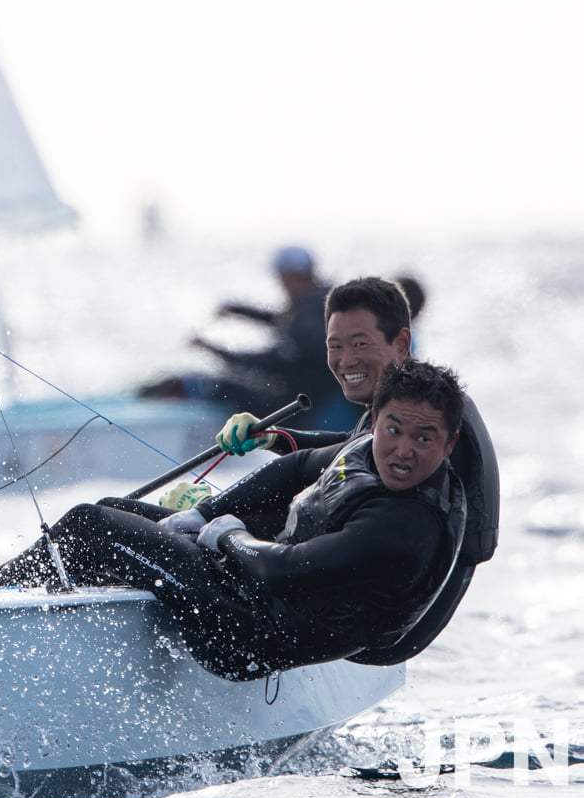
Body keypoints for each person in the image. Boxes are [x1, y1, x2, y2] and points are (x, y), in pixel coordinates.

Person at [0, 360, 469, 682]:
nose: (403, 449)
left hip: (245, 637)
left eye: (424, 438)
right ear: (376, 419)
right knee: (117, 508)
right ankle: (45, 615)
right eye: (393, 429)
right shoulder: (366, 447)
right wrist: (203, 513)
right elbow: (296, 467)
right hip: (244, 588)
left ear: (449, 444)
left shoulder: (404, 527)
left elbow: (279, 570)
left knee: (91, 526)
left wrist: (226, 533)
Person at [206, 275, 499, 665]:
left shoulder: (429, 422)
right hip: (368, 589)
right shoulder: (410, 403)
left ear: (401, 344)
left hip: (386, 630)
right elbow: (347, 450)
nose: (346, 361)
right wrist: (272, 437)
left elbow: (398, 536)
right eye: (336, 346)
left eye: (361, 345)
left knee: (231, 527)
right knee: (222, 519)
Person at [140, 245, 348, 422]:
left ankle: (154, 404)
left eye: (283, 279)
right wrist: (237, 310)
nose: (281, 285)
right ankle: (146, 394)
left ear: (297, 276)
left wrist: (211, 349)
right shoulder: (322, 304)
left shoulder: (309, 321)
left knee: (203, 384)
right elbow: (281, 322)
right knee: (218, 381)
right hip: (301, 397)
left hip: (294, 410)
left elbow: (262, 362)